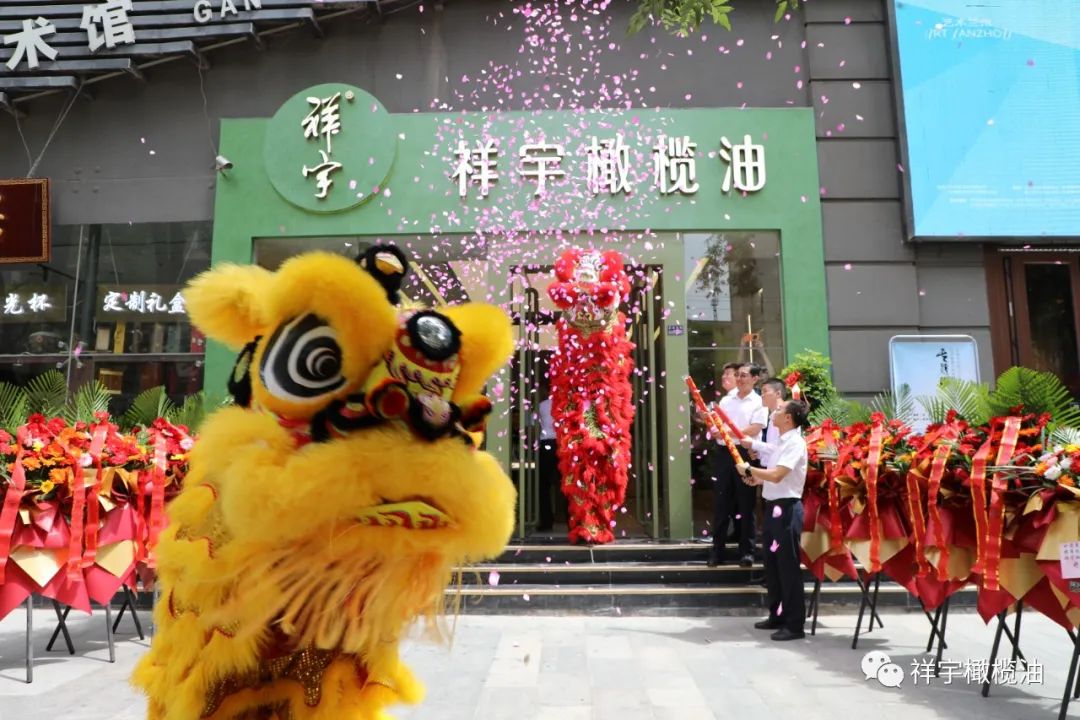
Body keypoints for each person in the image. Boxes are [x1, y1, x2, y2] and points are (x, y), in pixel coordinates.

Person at [737, 399, 811, 641]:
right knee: (773, 565)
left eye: (779, 409)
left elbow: (778, 475)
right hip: (773, 507)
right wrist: (757, 479)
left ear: (788, 418)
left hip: (787, 509)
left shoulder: (795, 442)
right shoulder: (780, 441)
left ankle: (794, 624)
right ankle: (777, 615)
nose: (774, 412)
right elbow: (772, 476)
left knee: (787, 567)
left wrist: (749, 469)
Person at [709, 362, 765, 568]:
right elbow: (717, 424)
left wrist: (727, 432)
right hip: (724, 453)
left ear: (754, 379)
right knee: (721, 503)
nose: (740, 379)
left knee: (746, 503)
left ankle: (747, 552)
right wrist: (716, 430)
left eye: (744, 376)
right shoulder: (726, 400)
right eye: (738, 375)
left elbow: (754, 429)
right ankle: (717, 551)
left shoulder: (758, 402)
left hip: (745, 454)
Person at [743, 377, 787, 538]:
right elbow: (773, 447)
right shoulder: (773, 415)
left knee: (779, 527)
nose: (761, 395)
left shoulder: (783, 416)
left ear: (778, 393)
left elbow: (780, 448)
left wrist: (754, 444)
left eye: (765, 391)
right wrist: (758, 452)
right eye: (761, 392)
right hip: (770, 473)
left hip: (780, 475)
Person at [537, 384, 561, 531]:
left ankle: (547, 521)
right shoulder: (565, 404)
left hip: (546, 444)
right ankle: (569, 519)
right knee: (565, 483)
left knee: (544, 485)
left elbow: (534, 425)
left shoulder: (542, 405)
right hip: (562, 444)